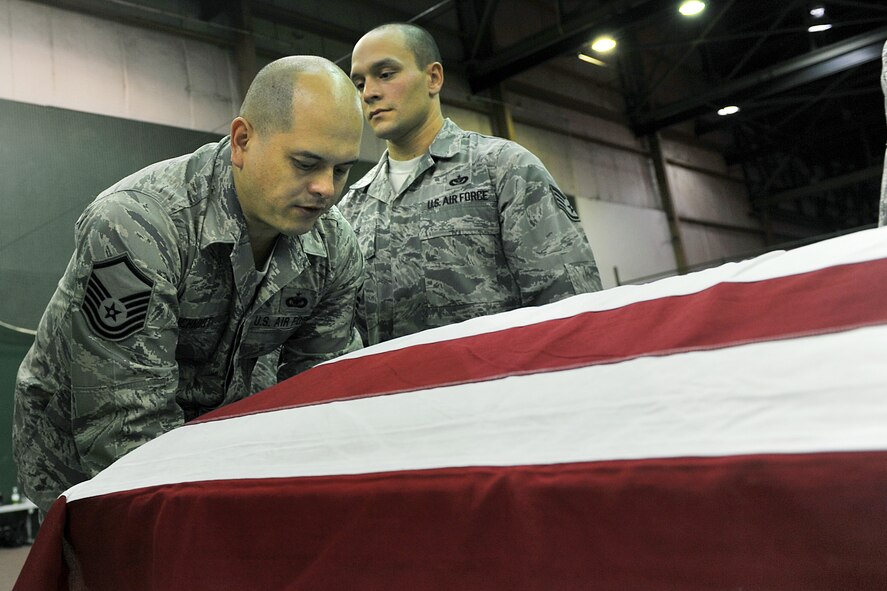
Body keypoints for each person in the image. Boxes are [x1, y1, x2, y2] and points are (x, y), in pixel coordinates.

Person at [14, 56, 365, 512]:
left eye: (341, 170)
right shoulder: (138, 224)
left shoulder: (333, 247)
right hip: (81, 453)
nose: (325, 189)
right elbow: (124, 426)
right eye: (305, 163)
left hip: (217, 435)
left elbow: (324, 393)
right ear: (242, 141)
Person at [341, 23, 602, 345]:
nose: (369, 93)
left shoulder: (504, 168)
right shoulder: (351, 208)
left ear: (433, 78)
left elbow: (569, 301)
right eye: (359, 82)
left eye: (386, 73)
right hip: (393, 392)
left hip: (498, 387)